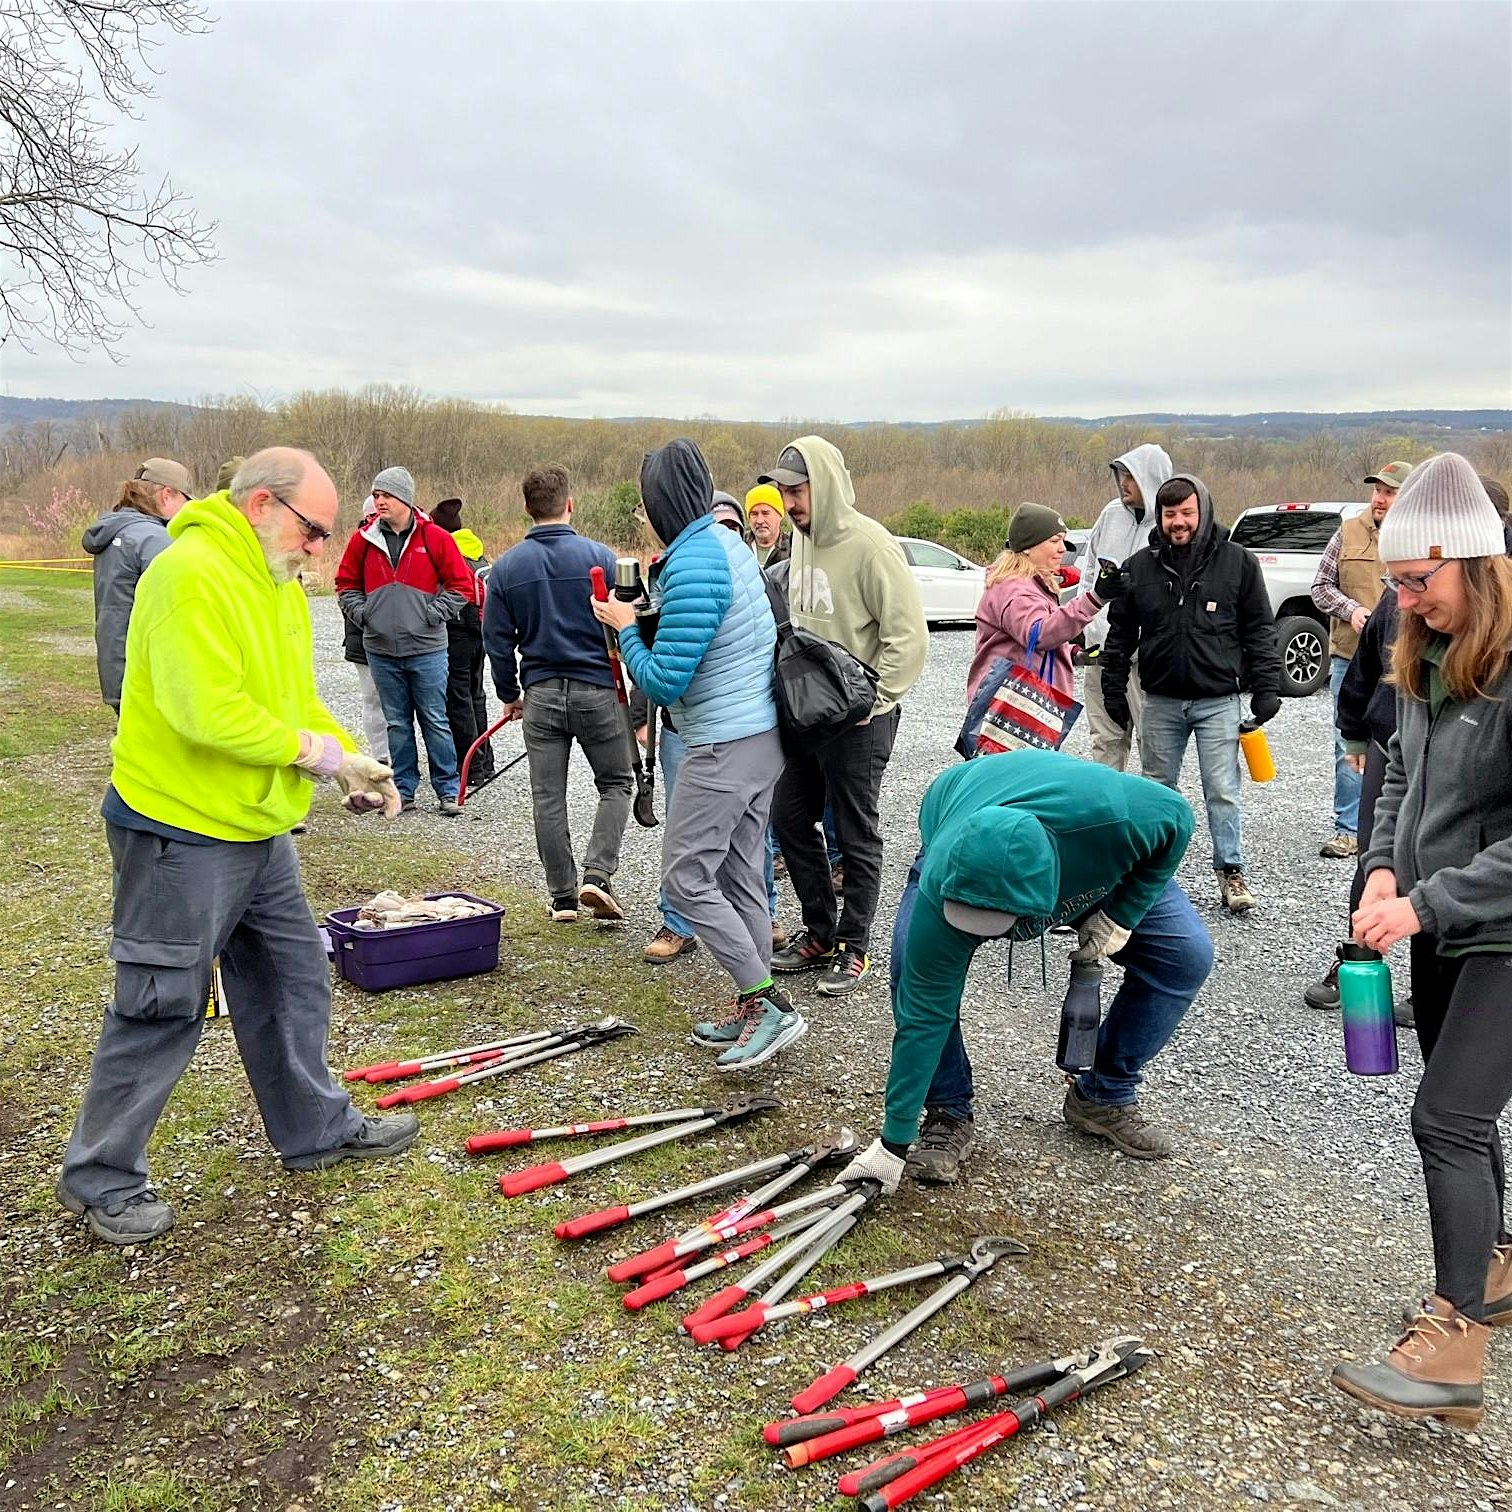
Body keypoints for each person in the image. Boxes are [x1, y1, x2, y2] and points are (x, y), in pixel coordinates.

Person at [56, 448, 415, 1246]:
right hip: (178, 827)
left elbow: (291, 699)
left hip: (255, 827)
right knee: (161, 1002)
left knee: (293, 976)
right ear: (261, 505)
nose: (319, 546)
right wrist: (314, 755)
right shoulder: (188, 574)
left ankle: (316, 1128)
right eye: (313, 529)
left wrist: (347, 760)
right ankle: (101, 1177)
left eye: (327, 533)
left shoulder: (275, 580)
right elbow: (205, 711)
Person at [1330, 454, 1512, 1428]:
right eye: (1396, 582)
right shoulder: (1422, 654)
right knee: (1466, 1119)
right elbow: (1397, 770)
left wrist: (1426, 902)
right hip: (1443, 923)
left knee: (1443, 1120)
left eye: (1418, 581)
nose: (1403, 601)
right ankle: (1496, 1267)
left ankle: (1454, 1342)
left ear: (1476, 564)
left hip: (1503, 932)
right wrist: (1382, 873)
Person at [834, 748, 1210, 1193]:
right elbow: (925, 1012)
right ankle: (948, 1109)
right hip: (966, 831)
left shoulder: (1124, 817)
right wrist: (892, 1143)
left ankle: (1103, 1094)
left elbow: (1178, 820)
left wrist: (1121, 915)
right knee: (909, 972)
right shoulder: (945, 882)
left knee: (1185, 957)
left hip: (1083, 851)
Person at [593, 438, 799, 1070]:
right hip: (761, 739)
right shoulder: (727, 544)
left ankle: (767, 1003)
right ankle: (754, 1004)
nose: (642, 514)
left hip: (720, 745)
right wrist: (648, 617)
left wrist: (625, 629)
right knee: (739, 876)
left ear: (659, 502)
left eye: (643, 503)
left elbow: (663, 682)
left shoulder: (694, 563)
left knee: (685, 880)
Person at [765, 438, 928, 995]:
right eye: (784, 492)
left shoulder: (872, 546)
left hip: (861, 719)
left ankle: (853, 947)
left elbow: (909, 638)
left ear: (827, 485)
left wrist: (875, 702)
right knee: (789, 818)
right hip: (807, 716)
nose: (789, 503)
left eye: (798, 490)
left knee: (856, 833)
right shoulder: (800, 541)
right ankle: (819, 933)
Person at [1100, 474, 1280, 914]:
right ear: (1159, 517)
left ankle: (1231, 870)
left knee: (1222, 789)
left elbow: (1260, 629)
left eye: (1186, 513)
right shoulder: (1140, 567)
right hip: (1160, 700)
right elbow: (1120, 632)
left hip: (1218, 701)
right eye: (1170, 514)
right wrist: (1113, 688)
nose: (1178, 522)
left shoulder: (1238, 563)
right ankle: (1150, 875)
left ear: (1203, 511)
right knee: (1156, 790)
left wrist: (1267, 687)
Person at [484, 465, 630, 922]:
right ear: (569, 505)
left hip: (541, 693)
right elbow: (630, 624)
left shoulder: (505, 568)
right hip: (597, 689)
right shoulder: (601, 557)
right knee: (616, 784)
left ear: (527, 508)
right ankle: (597, 874)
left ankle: (563, 898)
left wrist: (509, 692)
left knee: (548, 796)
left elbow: (496, 640)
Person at [335, 467, 473, 816]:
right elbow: (345, 584)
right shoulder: (363, 540)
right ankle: (405, 790)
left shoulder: (436, 538)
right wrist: (365, 615)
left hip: (427, 649)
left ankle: (447, 790)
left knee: (434, 718)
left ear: (405, 499)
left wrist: (432, 614)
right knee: (396, 723)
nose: (379, 501)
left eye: (386, 495)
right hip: (381, 650)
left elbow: (462, 585)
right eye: (376, 495)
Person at [1310, 460, 1413, 860]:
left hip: (1401, 662)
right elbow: (1320, 587)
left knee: (1400, 743)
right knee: (1348, 743)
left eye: (1389, 492)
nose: (1380, 499)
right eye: (1377, 491)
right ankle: (1349, 829)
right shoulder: (1348, 531)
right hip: (1349, 656)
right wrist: (1350, 609)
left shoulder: (1416, 538)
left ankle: (1396, 828)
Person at [1074, 445, 1174, 769]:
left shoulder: (1170, 525)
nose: (1123, 483)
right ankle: (1107, 801)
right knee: (1104, 741)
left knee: (1154, 745)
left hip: (1146, 662)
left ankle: (1152, 802)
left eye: (1131, 476)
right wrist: (1086, 623)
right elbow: (1089, 568)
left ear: (1150, 478)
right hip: (1102, 653)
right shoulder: (1111, 514)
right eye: (1120, 475)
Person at [967, 501, 1125, 704]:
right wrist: (1094, 599)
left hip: (1019, 703)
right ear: (1028, 546)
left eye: (1063, 541)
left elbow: (1024, 645)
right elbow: (1038, 634)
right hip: (1011, 708)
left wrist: (1074, 653)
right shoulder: (1015, 590)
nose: (1062, 549)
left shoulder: (1029, 584)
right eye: (1055, 541)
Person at [83, 457, 196, 711]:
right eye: (185, 501)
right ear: (167, 494)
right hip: (148, 677)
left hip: (118, 666)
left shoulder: (119, 531)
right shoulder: (155, 540)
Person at [431, 496, 494, 784]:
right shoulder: (473, 547)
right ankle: (486, 761)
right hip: (480, 629)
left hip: (457, 631)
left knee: (459, 699)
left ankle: (470, 766)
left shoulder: (447, 550)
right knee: (476, 694)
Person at [338, 495, 391, 764]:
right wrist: (369, 620)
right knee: (373, 698)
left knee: (397, 701)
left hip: (401, 637)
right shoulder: (358, 545)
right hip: (365, 636)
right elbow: (345, 590)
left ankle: (399, 755)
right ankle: (381, 756)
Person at [745, 483, 791, 569]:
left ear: (780, 515)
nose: (760, 521)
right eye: (754, 514)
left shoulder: (793, 550)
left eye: (765, 513)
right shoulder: (738, 546)